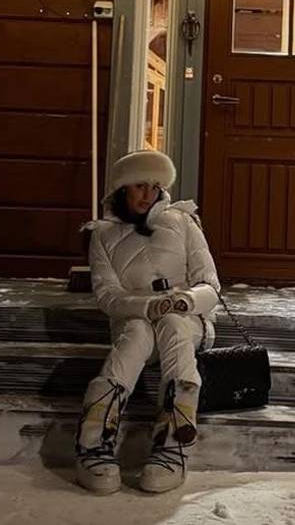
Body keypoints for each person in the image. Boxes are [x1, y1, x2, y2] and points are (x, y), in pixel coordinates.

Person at [75, 149, 220, 495]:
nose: (148, 195)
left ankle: (173, 445)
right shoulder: (103, 234)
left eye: (155, 187)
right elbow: (107, 296)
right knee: (140, 329)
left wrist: (184, 300)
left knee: (172, 323)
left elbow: (210, 286)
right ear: (123, 188)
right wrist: (147, 306)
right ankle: (93, 441)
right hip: (134, 324)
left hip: (186, 322)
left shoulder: (183, 222)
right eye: (140, 186)